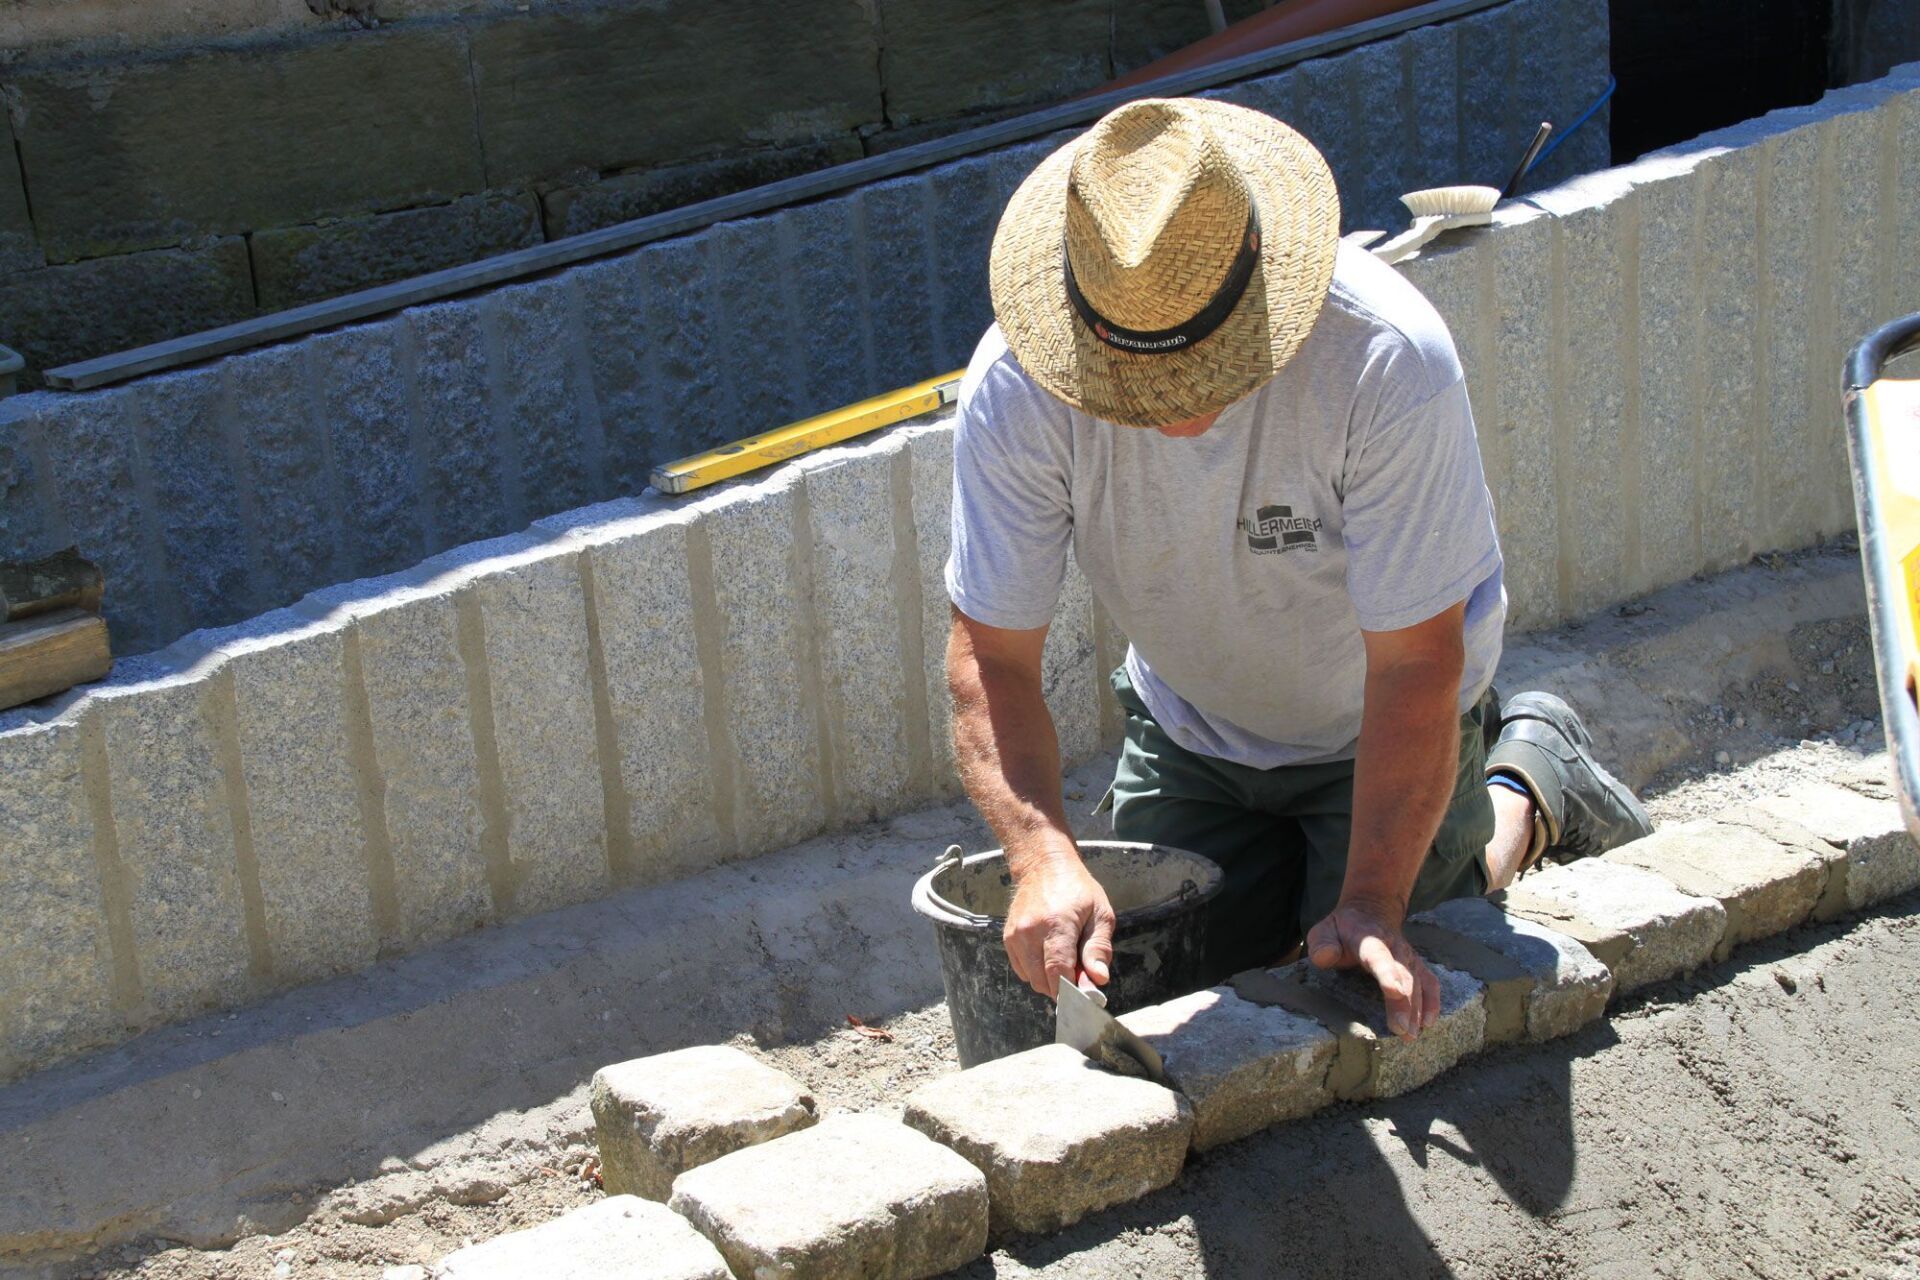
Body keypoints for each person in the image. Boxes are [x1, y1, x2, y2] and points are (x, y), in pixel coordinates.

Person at [942, 97, 1652, 1040]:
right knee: (1149, 995)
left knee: (1392, 958)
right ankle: (1299, 883)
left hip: (1383, 728)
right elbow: (989, 653)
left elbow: (1414, 666)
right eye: (1136, 377)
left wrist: (1371, 904)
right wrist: (1039, 853)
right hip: (1193, 724)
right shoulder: (1017, 386)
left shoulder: (1384, 360)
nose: (1171, 408)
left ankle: (1529, 783)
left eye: (1200, 365)